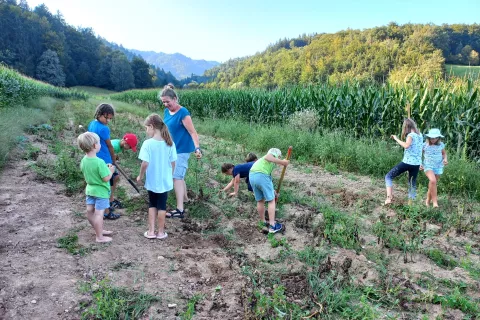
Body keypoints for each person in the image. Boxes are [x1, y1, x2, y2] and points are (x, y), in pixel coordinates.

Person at [159, 86, 202, 218]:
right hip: (171, 148)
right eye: (163, 102)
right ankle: (185, 199)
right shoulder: (167, 112)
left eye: (168, 101)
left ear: (175, 99)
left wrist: (197, 148)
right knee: (179, 176)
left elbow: (192, 132)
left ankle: (180, 210)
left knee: (176, 177)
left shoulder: (183, 113)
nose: (166, 104)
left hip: (182, 150)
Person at [136, 114, 177, 239]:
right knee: (162, 206)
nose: (146, 130)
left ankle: (151, 231)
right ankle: (160, 232)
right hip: (165, 181)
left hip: (152, 180)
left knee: (152, 204)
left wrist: (140, 176)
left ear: (152, 126)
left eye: (146, 128)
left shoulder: (148, 144)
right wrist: (171, 175)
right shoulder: (170, 143)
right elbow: (173, 162)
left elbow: (145, 163)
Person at [77, 132, 115, 243]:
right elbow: (106, 178)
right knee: (99, 214)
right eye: (98, 143)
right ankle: (100, 237)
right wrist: (111, 171)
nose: (100, 144)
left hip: (90, 190)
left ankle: (98, 230)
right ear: (94, 146)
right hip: (101, 191)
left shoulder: (84, 160)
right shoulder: (99, 162)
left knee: (90, 211)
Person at [87, 103, 120, 220]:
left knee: (102, 183)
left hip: (95, 157)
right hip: (106, 160)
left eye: (110, 119)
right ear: (99, 114)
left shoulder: (92, 124)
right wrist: (113, 159)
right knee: (106, 185)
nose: (108, 121)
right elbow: (110, 146)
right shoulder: (104, 128)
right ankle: (106, 211)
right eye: (106, 118)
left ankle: (102, 206)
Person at [249, 148, 289, 233]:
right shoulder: (269, 157)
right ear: (276, 155)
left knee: (260, 200)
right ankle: (272, 226)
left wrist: (273, 191)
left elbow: (267, 178)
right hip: (261, 175)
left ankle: (263, 222)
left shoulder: (265, 164)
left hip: (252, 176)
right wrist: (283, 162)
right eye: (278, 157)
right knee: (271, 200)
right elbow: (268, 157)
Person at [384, 118, 423, 205]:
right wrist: (421, 162)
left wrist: (396, 139)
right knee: (412, 183)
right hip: (416, 164)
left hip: (407, 163)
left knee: (388, 176)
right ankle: (411, 205)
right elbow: (420, 149)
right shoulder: (420, 135)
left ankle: (389, 199)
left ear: (406, 127)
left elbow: (406, 146)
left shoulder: (410, 135)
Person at [109, 133, 138, 209]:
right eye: (130, 147)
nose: (129, 149)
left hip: (110, 163)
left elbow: (112, 154)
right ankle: (108, 201)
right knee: (112, 179)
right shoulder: (115, 145)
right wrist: (113, 158)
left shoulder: (119, 145)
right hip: (106, 164)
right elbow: (106, 153)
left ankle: (110, 198)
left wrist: (115, 156)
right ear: (126, 142)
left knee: (116, 178)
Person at [421, 128, 448, 207]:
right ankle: (435, 202)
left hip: (438, 166)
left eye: (435, 138)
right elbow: (419, 155)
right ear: (428, 137)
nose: (433, 139)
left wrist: (445, 159)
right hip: (428, 165)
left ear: (438, 138)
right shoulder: (424, 145)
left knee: (432, 183)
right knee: (433, 181)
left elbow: (444, 154)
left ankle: (428, 201)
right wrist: (420, 164)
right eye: (432, 138)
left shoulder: (441, 145)